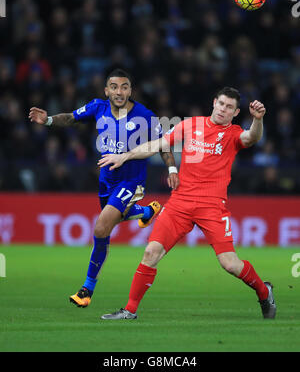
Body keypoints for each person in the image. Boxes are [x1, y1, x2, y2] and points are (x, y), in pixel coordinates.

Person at [98, 87, 276, 320]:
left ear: (235, 112)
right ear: (214, 102)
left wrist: (257, 120)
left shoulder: (233, 134)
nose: (223, 109)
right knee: (151, 252)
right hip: (179, 203)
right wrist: (124, 156)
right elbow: (157, 144)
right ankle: (129, 311)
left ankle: (264, 292)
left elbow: (252, 137)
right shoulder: (191, 125)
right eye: (221, 104)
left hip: (212, 206)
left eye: (229, 107)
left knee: (230, 264)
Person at [28, 68, 179, 307]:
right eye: (115, 87)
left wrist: (171, 169)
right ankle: (147, 212)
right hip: (107, 180)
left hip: (132, 181)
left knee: (101, 228)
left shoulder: (145, 115)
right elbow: (70, 118)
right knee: (111, 219)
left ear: (131, 90)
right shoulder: (98, 107)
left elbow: (163, 145)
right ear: (106, 90)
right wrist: (47, 120)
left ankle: (87, 289)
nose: (120, 92)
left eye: (125, 87)